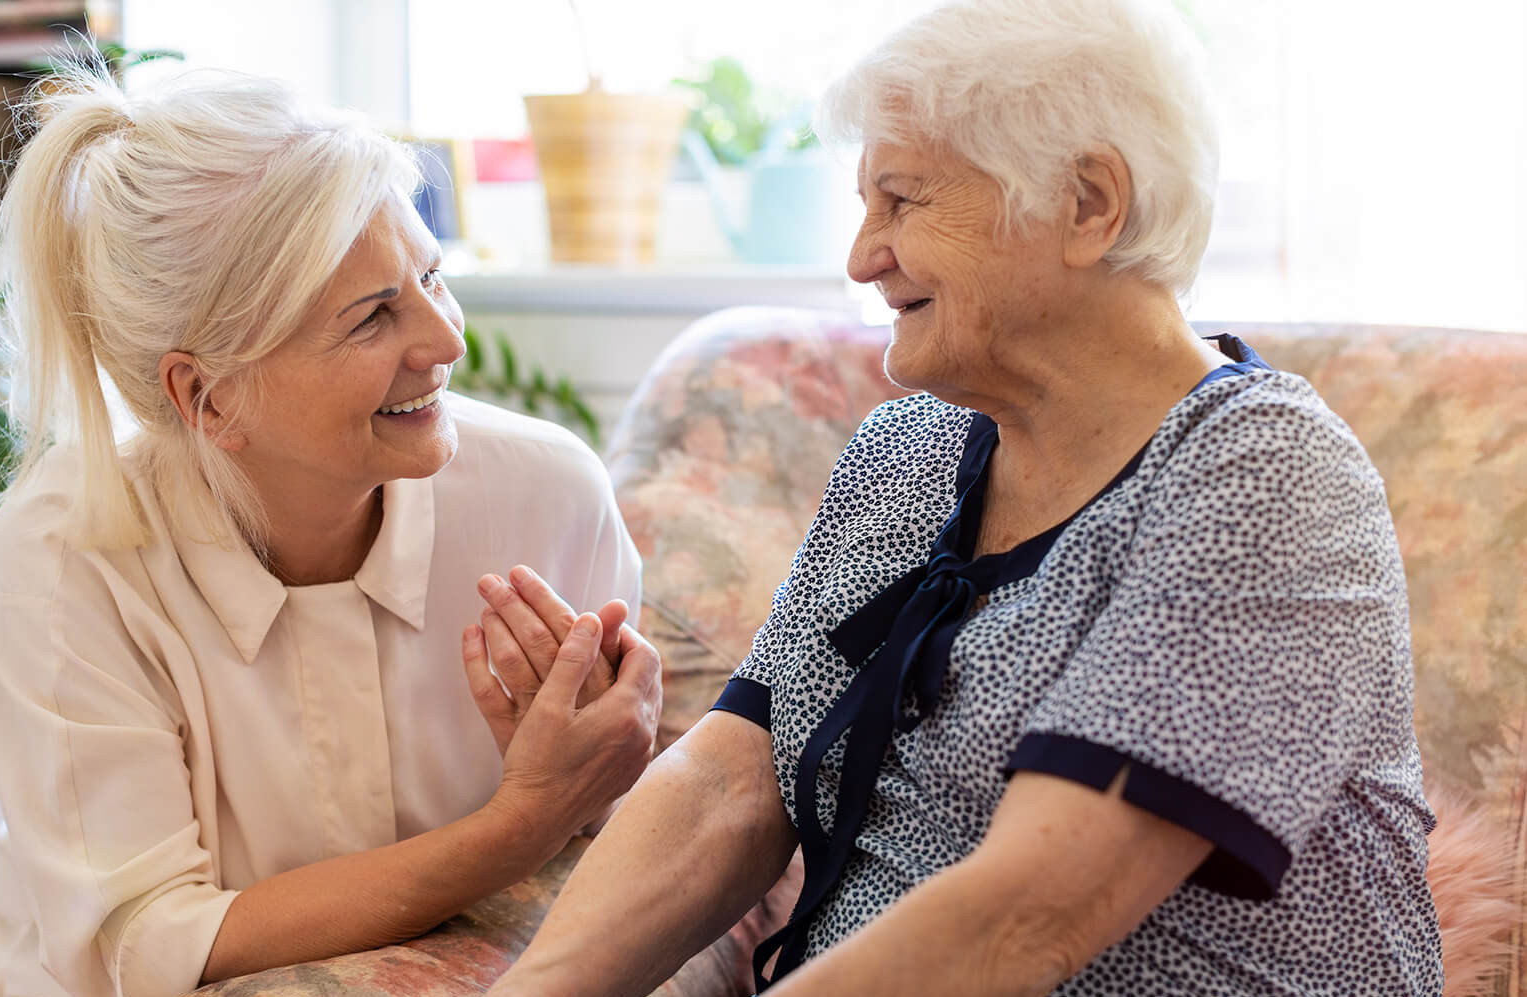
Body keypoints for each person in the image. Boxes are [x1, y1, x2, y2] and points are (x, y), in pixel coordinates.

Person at [484, 0, 1442, 993]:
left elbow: (1023, 916)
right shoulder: (908, 447)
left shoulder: (1263, 479)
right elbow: (730, 784)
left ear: (1087, 204)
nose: (860, 257)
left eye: (899, 200)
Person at [0, 61, 661, 997]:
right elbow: (148, 948)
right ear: (207, 395)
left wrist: (596, 779)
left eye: (430, 276)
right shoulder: (65, 554)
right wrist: (519, 822)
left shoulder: (546, 494)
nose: (445, 341)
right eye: (371, 318)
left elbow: (620, 817)